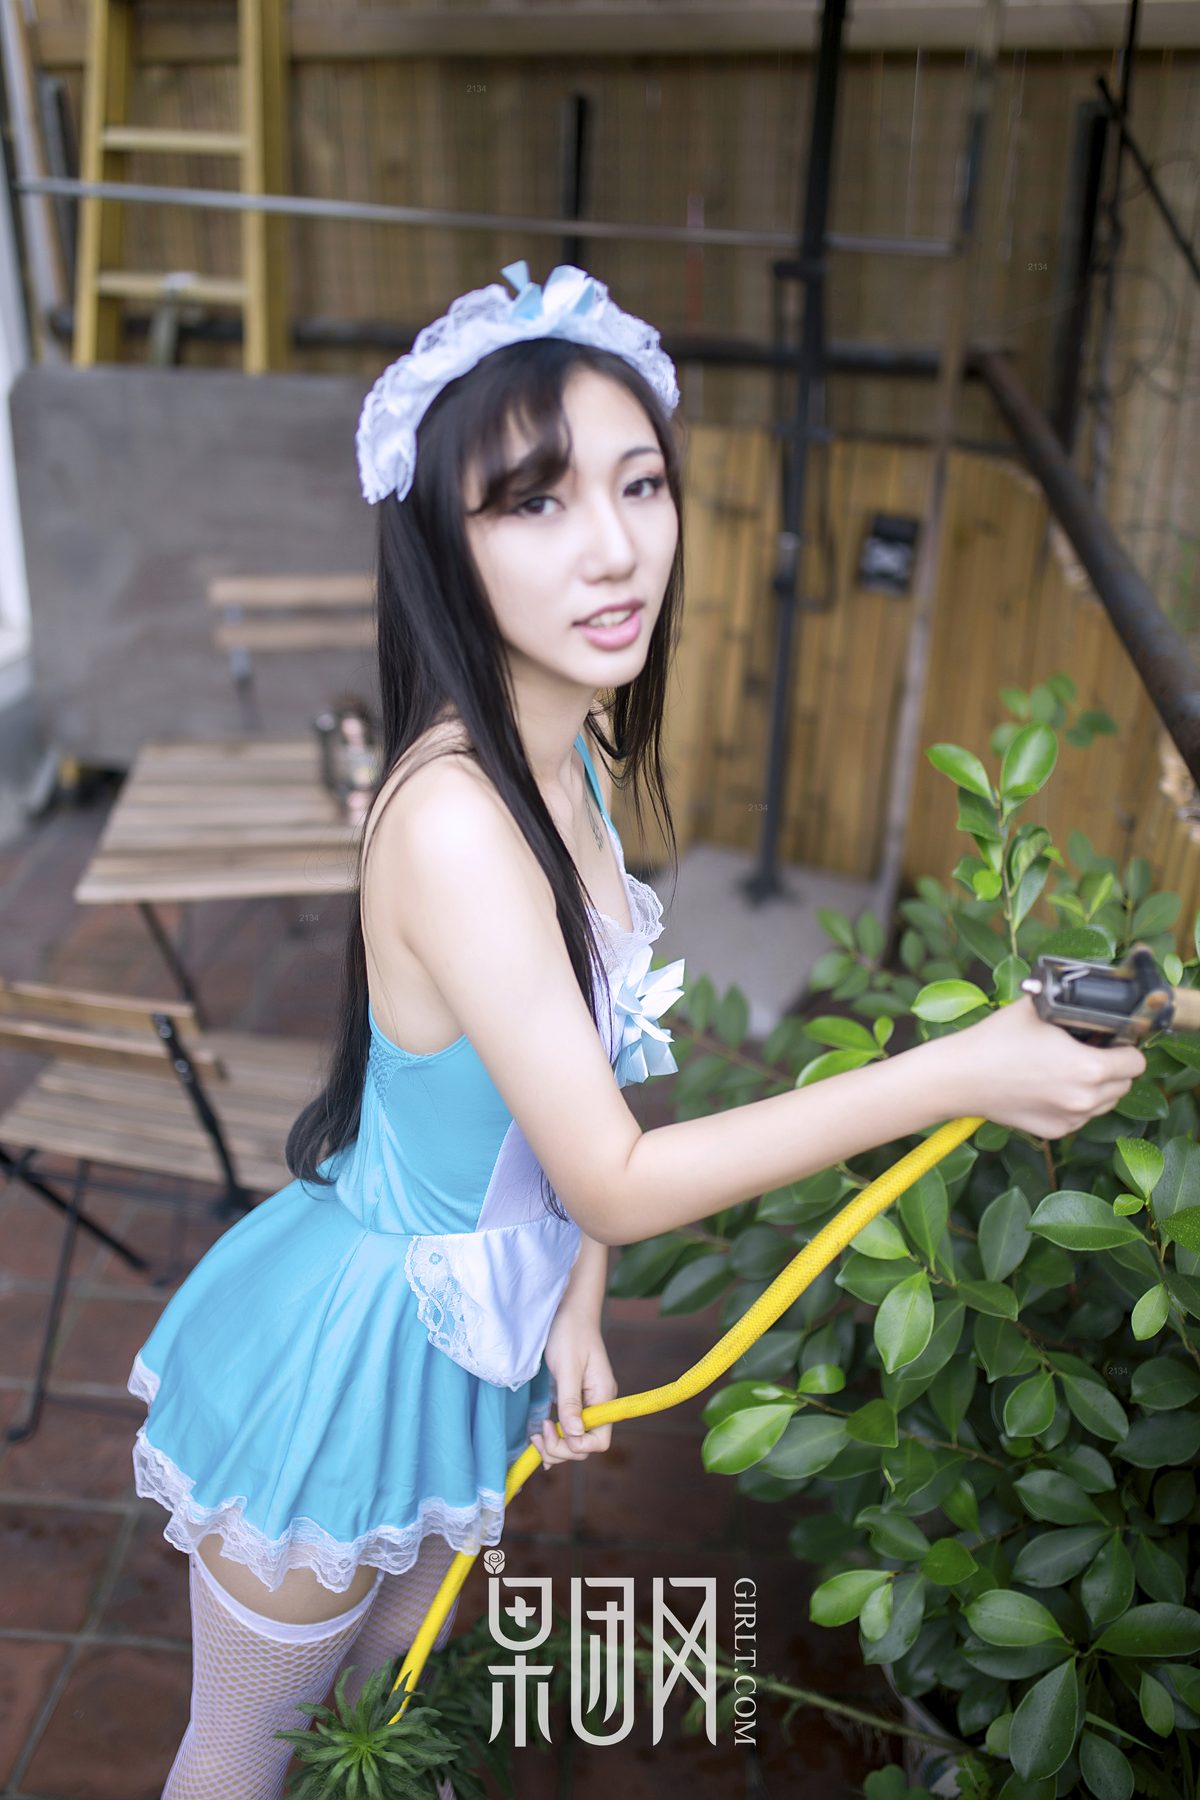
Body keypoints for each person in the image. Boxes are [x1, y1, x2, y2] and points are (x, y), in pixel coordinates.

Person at [126, 261, 1147, 1799]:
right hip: (352, 1357)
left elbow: (594, 1065)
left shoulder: (576, 752)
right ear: (442, 543)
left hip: (477, 1337)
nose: (614, 546)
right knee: (248, 1754)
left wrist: (577, 1302)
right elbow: (610, 1170)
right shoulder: (454, 820)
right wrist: (959, 1071)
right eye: (535, 501)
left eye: (641, 483)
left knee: (380, 1716)